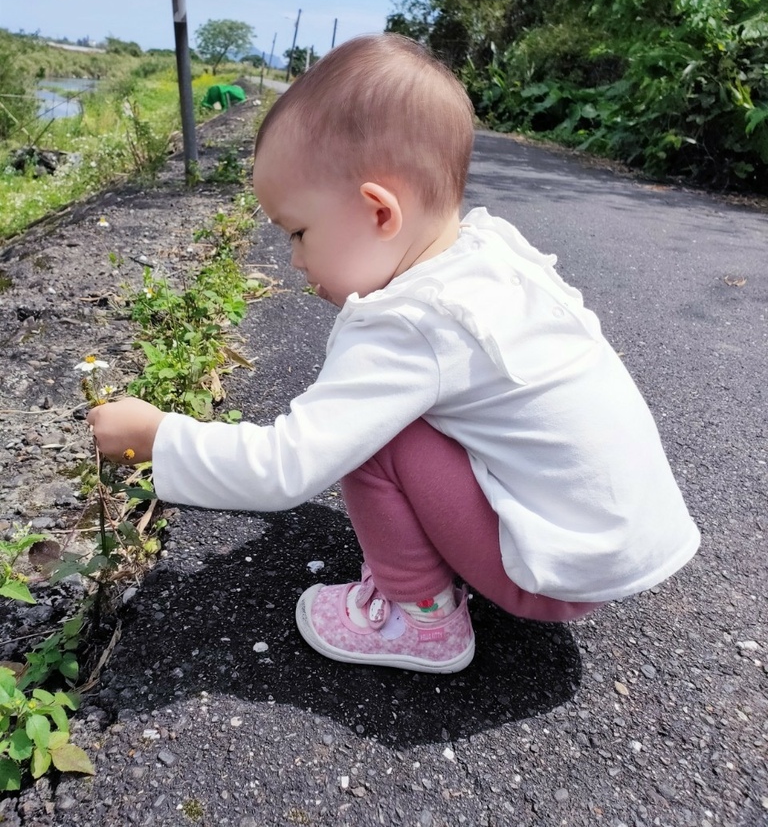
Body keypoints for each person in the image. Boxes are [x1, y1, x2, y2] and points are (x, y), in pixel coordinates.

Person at [87, 34, 700, 674]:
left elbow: (286, 466)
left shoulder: (407, 323)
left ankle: (421, 621)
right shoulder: (489, 253)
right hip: (612, 546)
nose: (294, 260)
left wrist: (159, 438)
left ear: (381, 212)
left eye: (298, 231)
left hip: (552, 578)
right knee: (409, 413)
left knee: (377, 435)